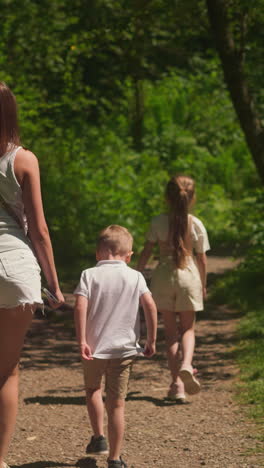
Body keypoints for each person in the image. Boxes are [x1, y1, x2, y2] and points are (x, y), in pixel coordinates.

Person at [0, 81, 64, 468]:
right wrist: (54, 284)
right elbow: (38, 230)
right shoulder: (23, 160)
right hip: (13, 268)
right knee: (7, 368)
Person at [74, 225, 157, 468]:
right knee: (118, 404)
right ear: (129, 255)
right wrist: (151, 339)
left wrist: (81, 340)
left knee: (93, 390)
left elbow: (80, 306)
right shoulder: (136, 276)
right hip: (124, 350)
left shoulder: (88, 274)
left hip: (93, 349)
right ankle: (115, 459)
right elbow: (150, 307)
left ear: (98, 252)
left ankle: (99, 437)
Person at [137, 175, 210, 403]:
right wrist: (204, 284)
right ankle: (187, 364)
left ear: (167, 197)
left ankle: (177, 385)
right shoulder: (195, 223)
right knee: (188, 329)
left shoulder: (158, 222)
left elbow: (147, 252)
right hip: (188, 276)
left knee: (170, 334)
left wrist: (137, 275)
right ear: (192, 198)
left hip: (164, 277)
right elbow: (202, 259)